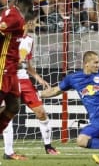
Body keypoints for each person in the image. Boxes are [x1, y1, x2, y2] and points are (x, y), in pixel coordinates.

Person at [2, 26, 59, 161]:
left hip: (24, 80)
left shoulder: (29, 40)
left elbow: (27, 64)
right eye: (31, 22)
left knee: (41, 112)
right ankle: (8, 152)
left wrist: (38, 78)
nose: (33, 24)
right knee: (7, 114)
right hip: (7, 78)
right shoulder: (7, 37)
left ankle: (48, 146)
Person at [0, 0, 35, 134]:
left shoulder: (19, 15)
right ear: (30, 1)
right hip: (3, 65)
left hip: (12, 67)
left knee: (14, 106)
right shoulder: (12, 16)